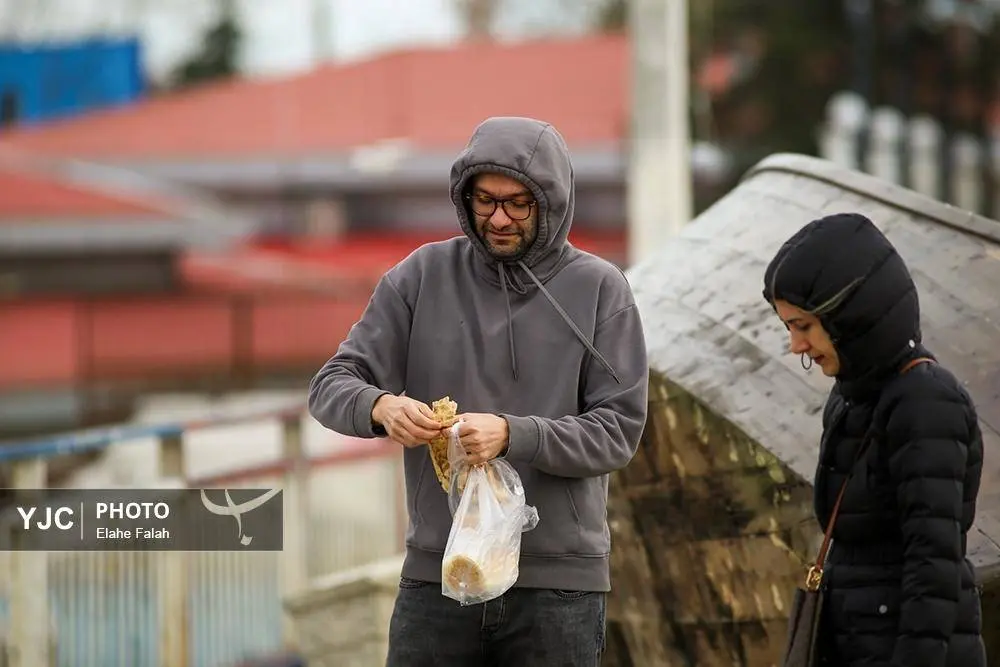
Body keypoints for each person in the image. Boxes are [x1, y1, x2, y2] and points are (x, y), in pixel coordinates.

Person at [308, 116, 649, 666]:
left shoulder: (601, 289)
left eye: (518, 204)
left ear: (552, 203)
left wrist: (515, 433)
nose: (498, 218)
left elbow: (618, 433)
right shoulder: (420, 276)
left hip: (558, 587)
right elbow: (330, 384)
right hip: (437, 574)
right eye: (484, 201)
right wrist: (379, 406)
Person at [761, 212, 986, 667]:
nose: (796, 347)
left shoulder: (925, 401)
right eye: (789, 328)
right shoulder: (853, 397)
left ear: (851, 314)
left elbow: (934, 568)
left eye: (804, 326)